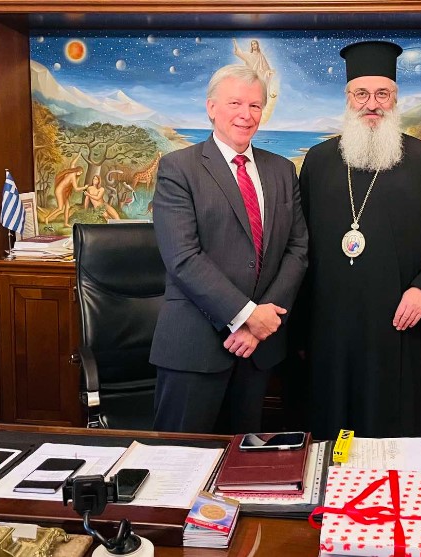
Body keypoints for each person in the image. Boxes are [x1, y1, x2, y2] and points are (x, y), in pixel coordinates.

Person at [298, 41, 421, 439]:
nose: (371, 104)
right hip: (330, 329)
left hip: (397, 328)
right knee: (328, 430)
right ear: (348, 98)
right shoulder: (319, 161)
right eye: (361, 94)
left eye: (382, 94)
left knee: (390, 431)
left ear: (395, 99)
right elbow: (297, 243)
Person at [150, 64, 308, 434]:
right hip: (194, 348)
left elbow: (298, 248)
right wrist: (246, 315)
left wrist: (261, 323)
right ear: (211, 108)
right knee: (180, 459)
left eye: (255, 106)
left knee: (244, 461)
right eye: (235, 103)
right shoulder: (179, 168)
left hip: (258, 351)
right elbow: (183, 257)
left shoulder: (282, 170)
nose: (245, 114)